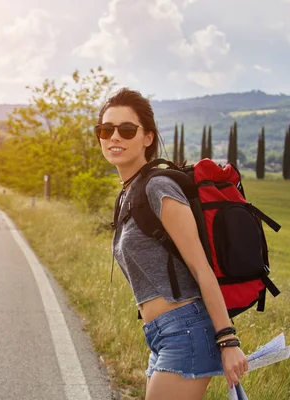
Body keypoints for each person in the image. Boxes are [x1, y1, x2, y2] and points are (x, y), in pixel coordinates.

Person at [96, 88, 248, 399]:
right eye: (105, 129)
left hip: (188, 330)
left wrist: (228, 340)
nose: (115, 137)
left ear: (147, 138)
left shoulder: (158, 187)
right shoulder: (129, 192)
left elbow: (200, 266)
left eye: (126, 130)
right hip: (163, 333)